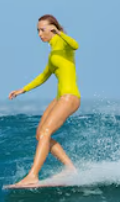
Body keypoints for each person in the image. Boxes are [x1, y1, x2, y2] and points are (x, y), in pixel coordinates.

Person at [8, 14, 81, 187]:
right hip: (59, 98)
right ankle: (70, 168)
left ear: (52, 28)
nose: (40, 34)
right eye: (37, 31)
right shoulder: (52, 53)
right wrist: (22, 90)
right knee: (40, 133)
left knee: (47, 131)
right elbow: (44, 76)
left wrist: (59, 33)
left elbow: (76, 45)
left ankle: (33, 175)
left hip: (70, 97)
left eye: (42, 30)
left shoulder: (64, 45)